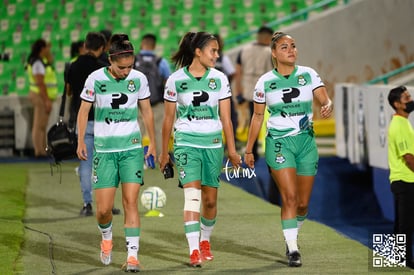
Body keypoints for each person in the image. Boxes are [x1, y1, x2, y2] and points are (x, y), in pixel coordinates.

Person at [244, 31, 333, 267]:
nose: (291, 50)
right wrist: (249, 149)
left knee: (303, 204)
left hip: (306, 143)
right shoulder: (264, 82)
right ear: (273, 53)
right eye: (284, 47)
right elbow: (257, 117)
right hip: (279, 143)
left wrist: (327, 104)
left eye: (293, 46)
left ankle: (291, 236)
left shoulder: (308, 74)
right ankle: (293, 249)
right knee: (290, 197)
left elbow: (324, 98)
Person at [159, 31, 242, 267]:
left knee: (211, 201)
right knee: (192, 196)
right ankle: (194, 250)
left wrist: (233, 151)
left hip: (213, 144)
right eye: (212, 51)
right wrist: (165, 152)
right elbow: (168, 119)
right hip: (186, 143)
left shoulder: (220, 79)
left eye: (217, 51)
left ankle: (205, 240)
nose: (216, 55)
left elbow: (226, 119)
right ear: (198, 52)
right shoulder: (175, 80)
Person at [76, 33, 156, 272]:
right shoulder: (94, 79)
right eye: (122, 67)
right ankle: (107, 237)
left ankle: (132, 256)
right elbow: (83, 111)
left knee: (131, 201)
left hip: (131, 149)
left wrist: (152, 142)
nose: (126, 71)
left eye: (130, 66)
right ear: (110, 60)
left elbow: (147, 112)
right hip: (104, 151)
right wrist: (80, 140)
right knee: (103, 211)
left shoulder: (139, 79)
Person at [67, 32, 120, 217]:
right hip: (102, 122)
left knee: (85, 165)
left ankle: (87, 204)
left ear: (85, 45)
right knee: (107, 164)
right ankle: (109, 204)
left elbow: (68, 93)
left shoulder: (72, 66)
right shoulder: (103, 67)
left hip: (82, 121)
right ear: (102, 48)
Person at [234, 26, 274, 160]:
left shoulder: (244, 50)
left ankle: (251, 150)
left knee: (252, 119)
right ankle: (267, 148)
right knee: (267, 120)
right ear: (267, 37)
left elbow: (238, 71)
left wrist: (238, 89)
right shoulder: (269, 52)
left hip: (248, 88)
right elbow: (272, 73)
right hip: (264, 89)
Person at [387, 85, 414, 269]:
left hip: (401, 180)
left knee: (401, 224)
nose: (410, 100)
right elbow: (409, 158)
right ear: (397, 104)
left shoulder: (402, 122)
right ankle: (406, 262)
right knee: (406, 225)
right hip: (405, 180)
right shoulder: (399, 125)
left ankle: (397, 260)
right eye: (406, 98)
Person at [135, 33, 171, 155]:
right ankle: (160, 158)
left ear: (142, 43)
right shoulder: (161, 61)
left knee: (137, 131)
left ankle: (135, 159)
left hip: (138, 103)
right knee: (158, 132)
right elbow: (168, 82)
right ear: (154, 46)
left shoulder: (134, 60)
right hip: (156, 102)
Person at [26, 39, 58, 158]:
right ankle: (38, 151)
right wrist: (46, 100)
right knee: (38, 124)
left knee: (42, 124)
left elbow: (50, 60)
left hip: (40, 94)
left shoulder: (40, 61)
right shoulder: (38, 63)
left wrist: (48, 51)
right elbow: (40, 83)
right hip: (39, 94)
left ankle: (42, 150)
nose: (47, 50)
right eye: (46, 48)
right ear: (41, 49)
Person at [213, 33, 238, 138]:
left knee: (226, 119)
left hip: (216, 94)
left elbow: (232, 73)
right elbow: (232, 73)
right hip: (220, 95)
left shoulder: (222, 57)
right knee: (229, 118)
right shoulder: (222, 57)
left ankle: (228, 144)